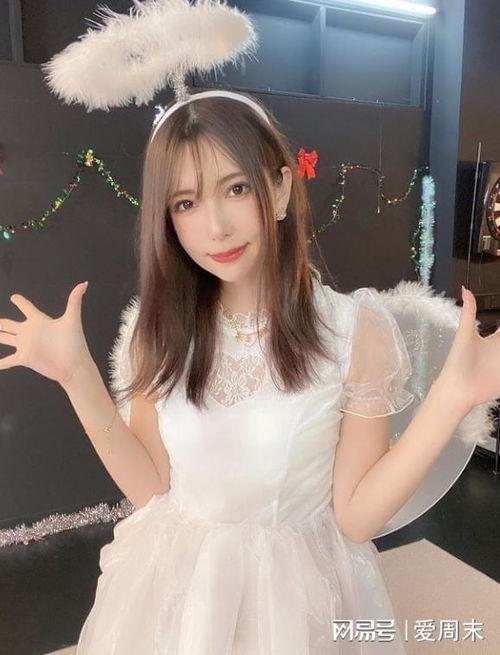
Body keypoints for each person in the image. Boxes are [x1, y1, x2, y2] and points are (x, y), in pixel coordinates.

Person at [1, 91, 499, 654]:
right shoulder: (157, 330)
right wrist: (77, 376)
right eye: (185, 203)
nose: (215, 226)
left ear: (280, 188)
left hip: (296, 599)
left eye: (236, 189)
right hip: (179, 591)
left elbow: (357, 519)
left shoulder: (352, 331)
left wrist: (454, 395)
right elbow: (150, 488)